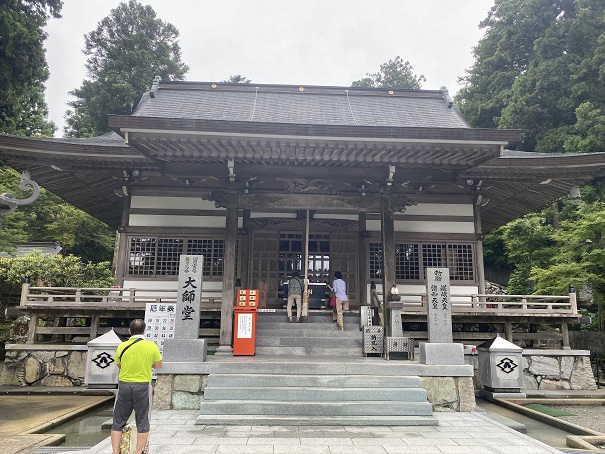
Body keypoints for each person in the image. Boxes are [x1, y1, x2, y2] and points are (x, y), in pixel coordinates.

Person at [111, 319, 162, 454]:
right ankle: (139, 452)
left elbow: (119, 365)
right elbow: (158, 365)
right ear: (145, 330)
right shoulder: (151, 346)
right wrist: (146, 364)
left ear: (129, 330)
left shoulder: (122, 346)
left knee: (118, 421)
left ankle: (115, 451)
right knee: (143, 421)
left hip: (124, 386)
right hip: (142, 386)